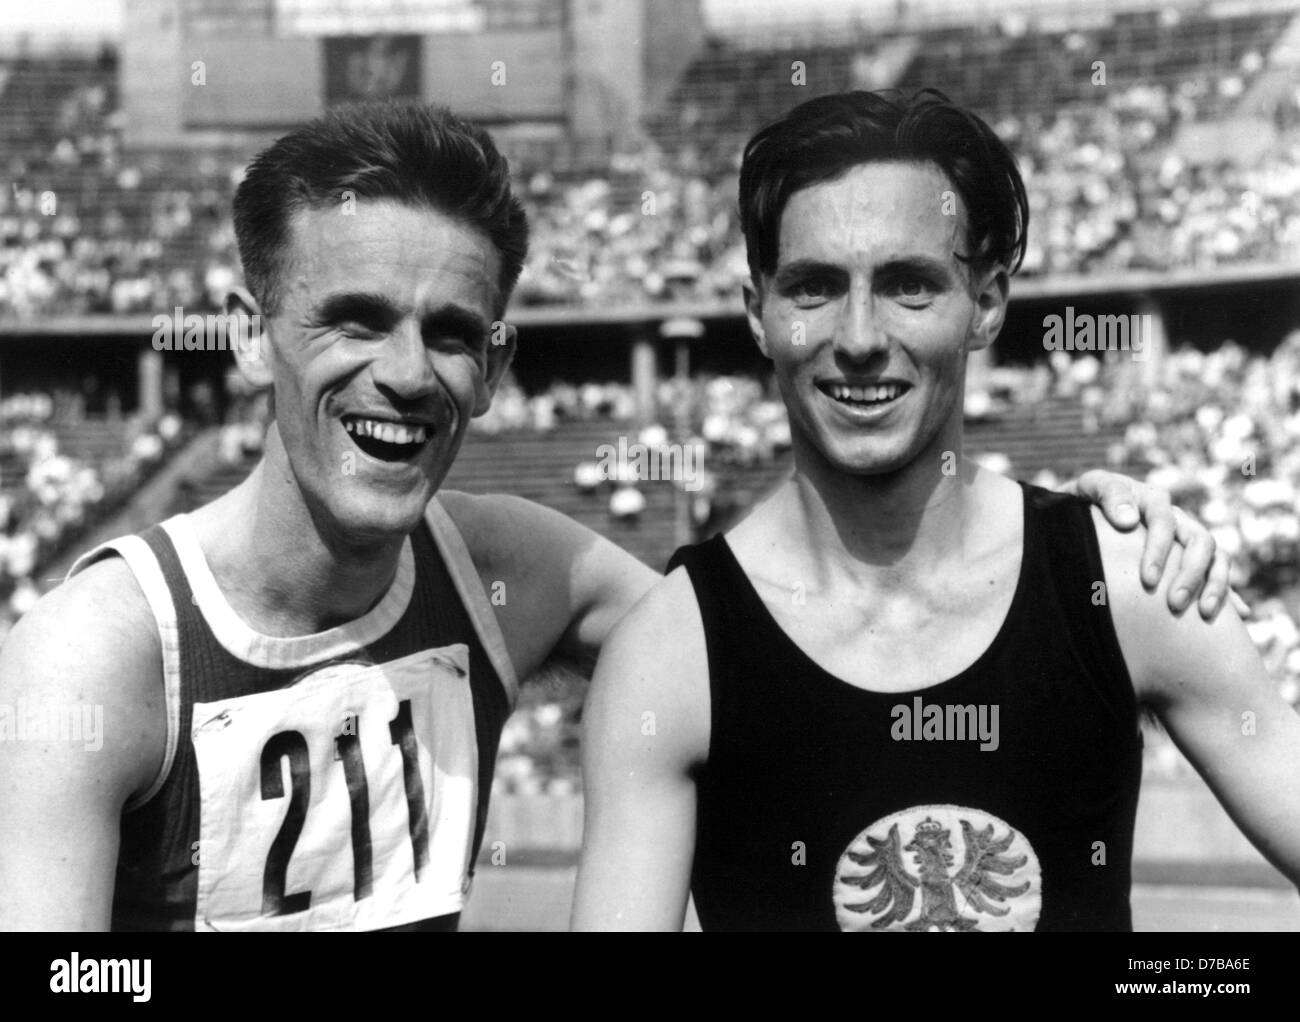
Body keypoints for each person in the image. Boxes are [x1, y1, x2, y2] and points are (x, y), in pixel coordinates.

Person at [0, 100, 1224, 932]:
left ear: (498, 359)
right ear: (245, 332)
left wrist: (1065, 535)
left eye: (453, 334)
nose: (407, 374)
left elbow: (811, 642)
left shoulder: (504, 574)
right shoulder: (101, 652)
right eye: (354, 319)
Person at [571, 90, 1300, 932]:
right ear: (758, 313)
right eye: (812, 288)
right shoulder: (670, 653)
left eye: (908, 286)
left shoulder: (1130, 583)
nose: (858, 337)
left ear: (986, 303)